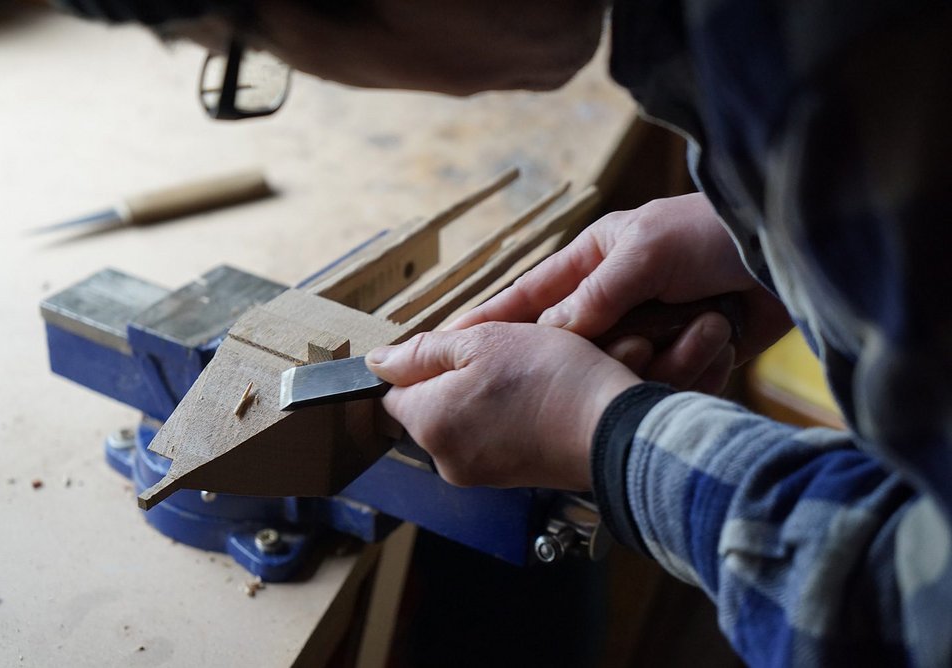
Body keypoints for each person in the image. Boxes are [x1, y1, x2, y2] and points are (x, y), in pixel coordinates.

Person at [55, 1, 952, 665]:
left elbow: (919, 611)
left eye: (251, 51)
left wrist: (611, 444)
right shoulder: (779, 61)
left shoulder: (820, 60)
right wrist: (755, 229)